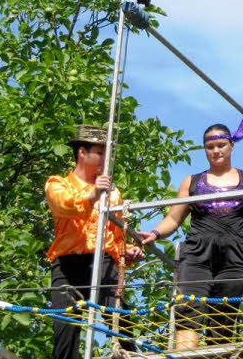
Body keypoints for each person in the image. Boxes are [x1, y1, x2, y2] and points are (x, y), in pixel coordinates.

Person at [137, 119, 243, 350]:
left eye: (221, 145)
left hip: (233, 257)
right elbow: (174, 218)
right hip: (197, 255)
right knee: (189, 311)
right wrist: (155, 233)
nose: (216, 151)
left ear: (231, 146)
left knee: (225, 318)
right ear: (205, 150)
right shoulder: (192, 182)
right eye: (210, 147)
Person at [45, 124, 144, 359]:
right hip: (68, 263)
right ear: (82, 152)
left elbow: (115, 238)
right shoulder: (58, 183)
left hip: (103, 263)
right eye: (99, 152)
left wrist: (127, 252)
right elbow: (63, 204)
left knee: (120, 319)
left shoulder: (113, 193)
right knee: (65, 328)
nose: (103, 159)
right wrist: (91, 194)